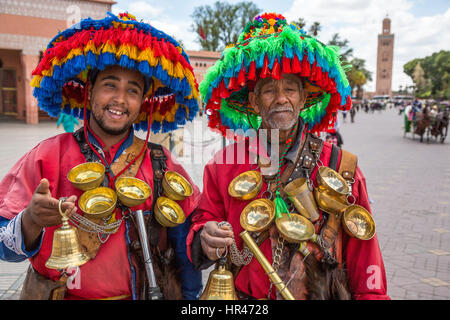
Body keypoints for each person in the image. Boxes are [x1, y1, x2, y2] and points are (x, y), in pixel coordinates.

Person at [187, 13, 389, 300]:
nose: (281, 98)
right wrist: (205, 236)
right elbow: (203, 223)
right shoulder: (222, 166)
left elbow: (365, 258)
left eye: (290, 89)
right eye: (269, 90)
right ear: (254, 101)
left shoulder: (342, 167)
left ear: (304, 98)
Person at [0, 12, 202, 300]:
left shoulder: (162, 163)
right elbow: (4, 246)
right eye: (110, 85)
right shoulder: (46, 156)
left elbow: (186, 253)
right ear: (89, 89)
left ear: (143, 101)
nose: (120, 99)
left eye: (132, 90)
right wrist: (30, 220)